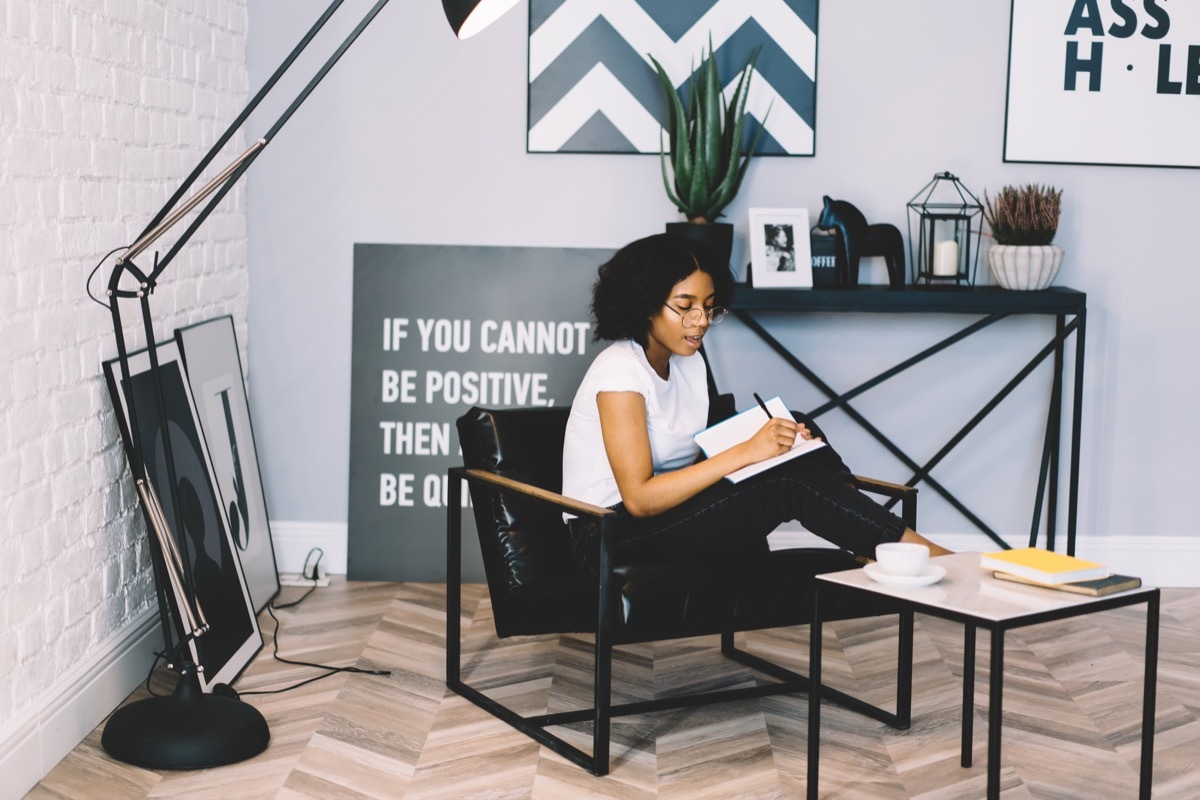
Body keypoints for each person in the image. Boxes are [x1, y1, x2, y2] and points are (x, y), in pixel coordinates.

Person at [561, 232, 950, 573]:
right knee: (786, 481)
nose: (700, 320)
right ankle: (923, 555)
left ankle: (870, 539)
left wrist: (774, 440)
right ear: (646, 305)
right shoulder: (619, 373)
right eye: (685, 306)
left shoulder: (688, 363)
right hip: (607, 532)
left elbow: (703, 450)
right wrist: (749, 452)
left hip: (665, 518)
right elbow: (640, 499)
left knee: (793, 426)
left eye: (709, 305)